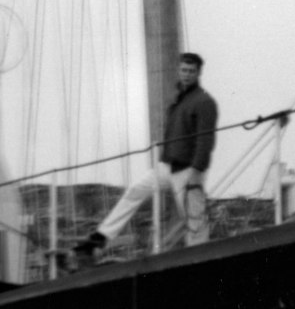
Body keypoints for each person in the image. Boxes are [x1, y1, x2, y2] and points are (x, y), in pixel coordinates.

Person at [77, 53, 217, 257]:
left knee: (194, 220)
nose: (187, 74)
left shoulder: (204, 102)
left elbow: (205, 139)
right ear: (179, 70)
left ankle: (200, 258)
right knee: (135, 190)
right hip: (167, 166)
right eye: (184, 70)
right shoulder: (179, 100)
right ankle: (102, 237)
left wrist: (197, 169)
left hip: (187, 170)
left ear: (198, 73)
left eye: (191, 71)